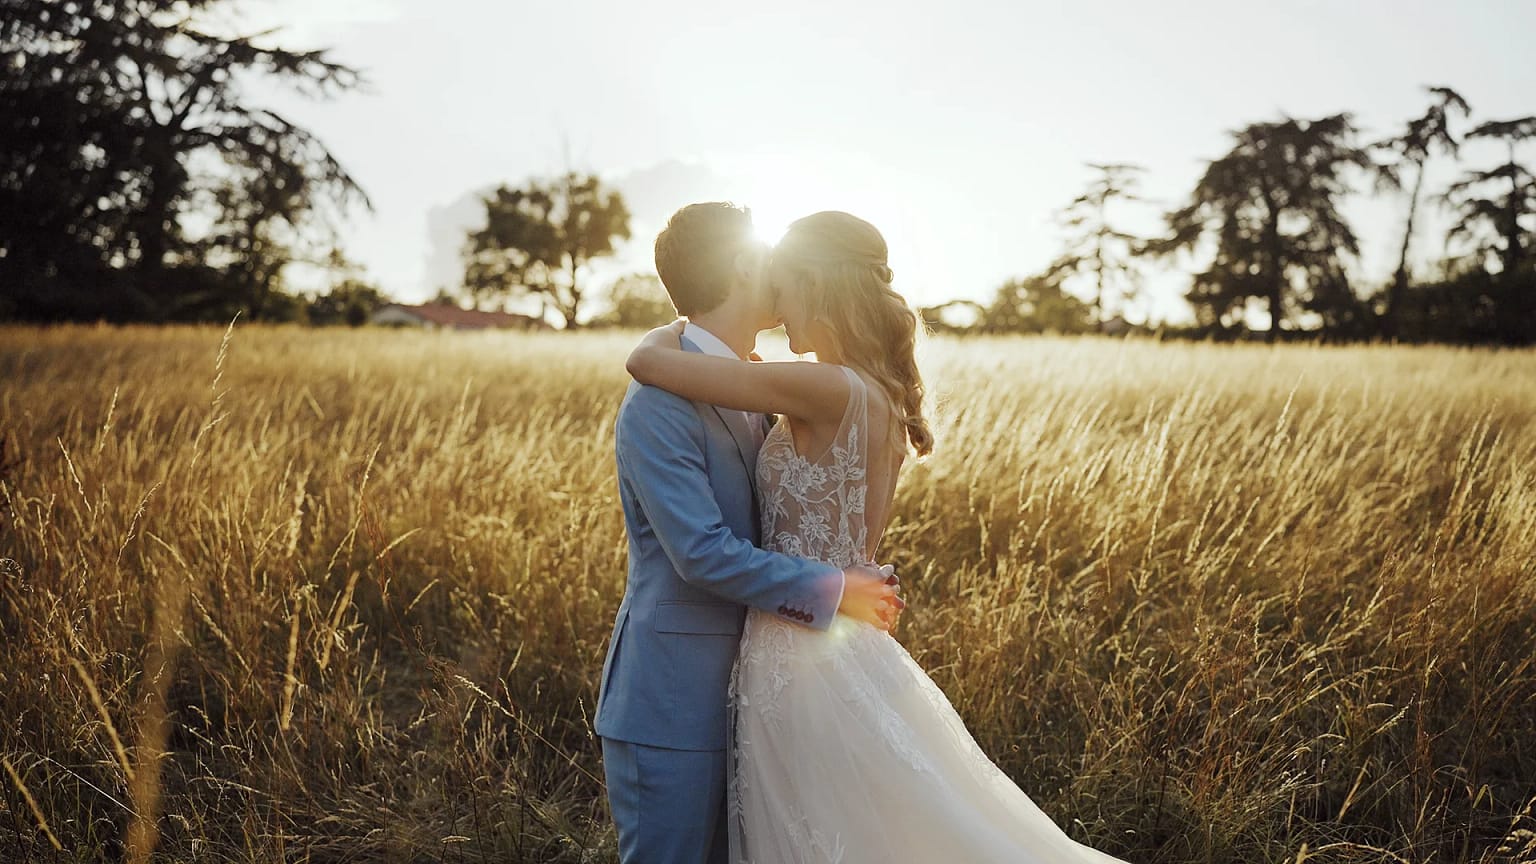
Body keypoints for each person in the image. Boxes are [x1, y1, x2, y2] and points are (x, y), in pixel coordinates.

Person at [625, 210, 1132, 863]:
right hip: (828, 646)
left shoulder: (821, 387)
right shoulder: (872, 392)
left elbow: (650, 365)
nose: (777, 302)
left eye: (785, 283)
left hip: (799, 655)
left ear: (817, 286)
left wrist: (663, 334)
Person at [594, 202, 903, 864]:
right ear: (741, 263)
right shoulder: (660, 402)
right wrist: (834, 589)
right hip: (674, 701)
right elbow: (700, 552)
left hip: (768, 691)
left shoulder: (760, 384)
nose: (783, 275)